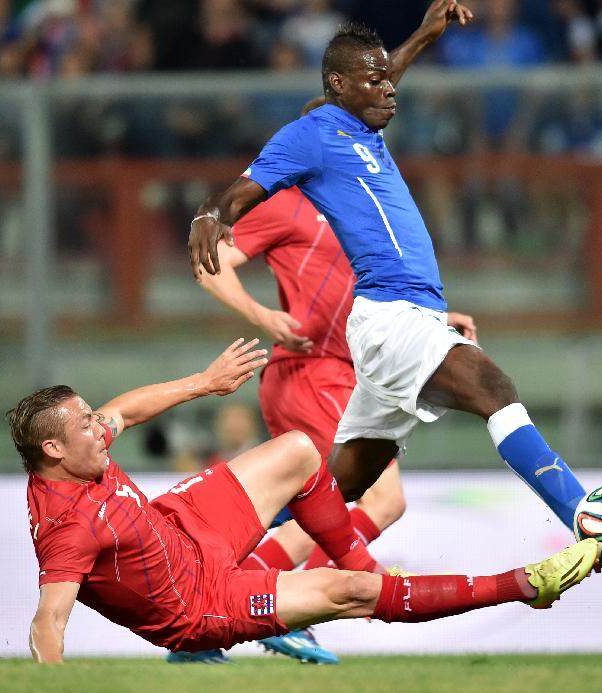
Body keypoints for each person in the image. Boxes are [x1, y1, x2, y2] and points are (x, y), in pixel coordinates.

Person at [187, 6, 602, 568]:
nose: (389, 89)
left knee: (344, 486)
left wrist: (425, 35)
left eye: (387, 79)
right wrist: (209, 214)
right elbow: (241, 191)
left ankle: (213, 533)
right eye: (374, 81)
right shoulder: (310, 134)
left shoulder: (365, 128)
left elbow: (384, 72)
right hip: (389, 318)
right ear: (338, 84)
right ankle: (584, 515)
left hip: (402, 318)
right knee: (493, 388)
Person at [185, 1, 478, 665]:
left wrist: (438, 319)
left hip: (350, 368)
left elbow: (367, 281)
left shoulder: (351, 195)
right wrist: (264, 318)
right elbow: (210, 264)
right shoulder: (287, 202)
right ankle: (270, 604)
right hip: (309, 371)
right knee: (377, 498)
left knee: (349, 502)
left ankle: (234, 610)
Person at [9, 338, 602, 664]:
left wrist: (206, 383)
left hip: (182, 527)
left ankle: (358, 558)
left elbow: (125, 411)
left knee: (298, 450)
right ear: (54, 449)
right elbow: (48, 622)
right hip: (200, 602)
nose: (100, 428)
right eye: (85, 425)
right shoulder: (67, 528)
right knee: (352, 592)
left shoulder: (78, 451)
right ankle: (524, 585)